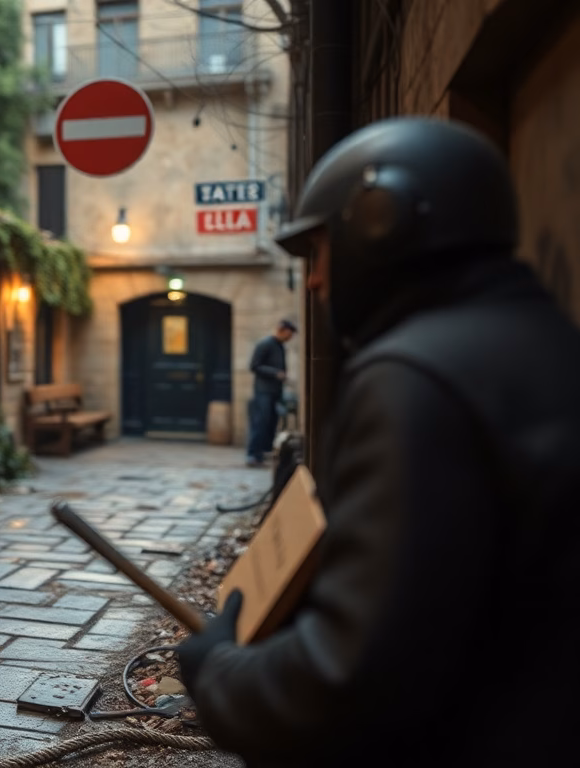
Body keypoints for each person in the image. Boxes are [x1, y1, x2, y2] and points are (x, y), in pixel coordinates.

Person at [176, 117, 580, 766]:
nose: (313, 281)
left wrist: (217, 670)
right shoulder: (547, 339)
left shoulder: (411, 376)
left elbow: (347, 682)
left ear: (379, 222)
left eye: (319, 253)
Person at [246, 319, 297, 467]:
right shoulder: (265, 344)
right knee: (260, 422)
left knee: (270, 423)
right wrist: (276, 373)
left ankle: (262, 453)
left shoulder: (279, 346)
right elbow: (254, 366)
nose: (290, 338)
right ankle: (253, 455)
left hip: (274, 390)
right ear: (282, 330)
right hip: (263, 391)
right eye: (289, 334)